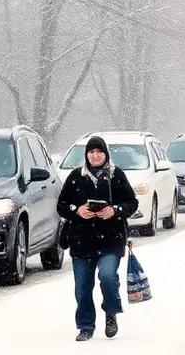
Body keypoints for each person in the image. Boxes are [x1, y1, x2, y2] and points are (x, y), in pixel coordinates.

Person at [57, 136, 138, 341]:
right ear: (86, 155)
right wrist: (78, 210)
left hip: (111, 238)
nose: (95, 156)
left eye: (99, 152)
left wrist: (115, 211)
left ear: (106, 154)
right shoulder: (76, 177)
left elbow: (132, 203)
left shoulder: (116, 176)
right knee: (83, 287)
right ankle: (85, 326)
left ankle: (111, 311)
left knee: (108, 276)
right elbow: (62, 205)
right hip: (81, 239)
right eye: (91, 152)